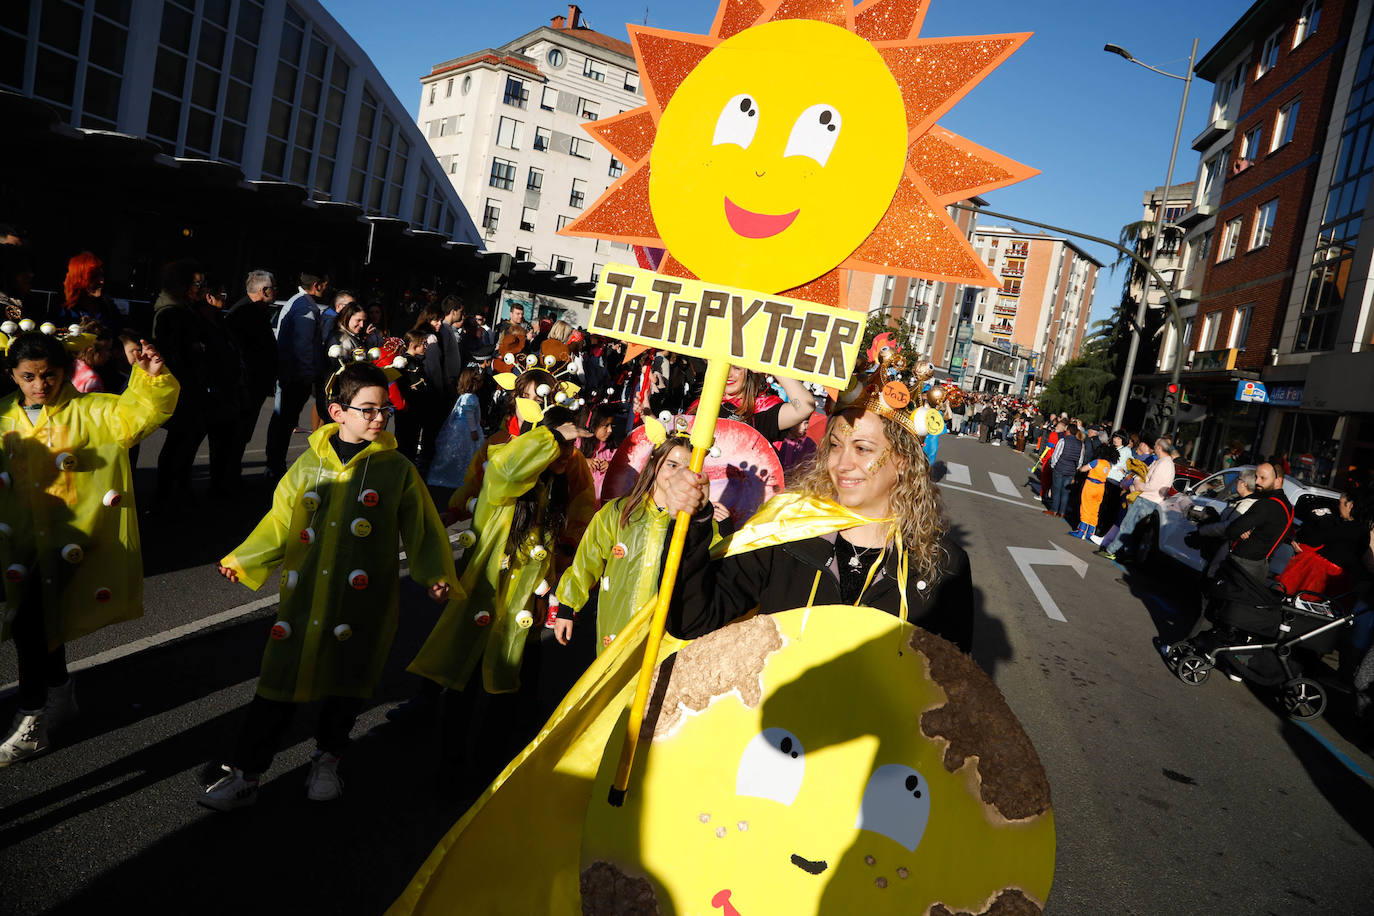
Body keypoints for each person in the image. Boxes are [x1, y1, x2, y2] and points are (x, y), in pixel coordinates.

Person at [202, 362, 456, 809]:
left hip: (363, 603)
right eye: (368, 410)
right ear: (338, 412)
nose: (378, 418)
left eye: (385, 412)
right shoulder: (308, 464)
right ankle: (247, 774)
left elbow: (423, 528)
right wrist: (246, 558)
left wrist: (435, 574)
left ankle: (328, 758)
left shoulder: (395, 469)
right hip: (302, 600)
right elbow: (282, 517)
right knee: (277, 685)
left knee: (348, 681)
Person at [660, 386, 973, 653]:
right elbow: (691, 619)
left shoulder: (944, 565)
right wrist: (693, 521)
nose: (842, 463)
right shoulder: (787, 529)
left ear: (902, 461)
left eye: (863, 449)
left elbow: (954, 688)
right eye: (835, 446)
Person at [0, 331, 178, 765]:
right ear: (13, 375)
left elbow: (140, 414)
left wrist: (150, 377)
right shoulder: (3, 416)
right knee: (42, 620)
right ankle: (60, 693)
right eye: (29, 377)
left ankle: (32, 714)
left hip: (72, 539)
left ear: (65, 372)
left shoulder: (89, 411)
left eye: (50, 375)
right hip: (18, 540)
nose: (40, 385)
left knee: (29, 623)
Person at [554, 436, 708, 654]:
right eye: (672, 465)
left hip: (666, 635)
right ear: (655, 465)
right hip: (617, 627)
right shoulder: (617, 513)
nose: (680, 474)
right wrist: (566, 608)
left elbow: (713, 571)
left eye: (688, 468)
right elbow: (587, 560)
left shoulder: (694, 525)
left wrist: (722, 526)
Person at [150, 259, 213, 509]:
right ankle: (166, 495)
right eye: (197, 283)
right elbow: (172, 350)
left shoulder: (185, 308)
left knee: (186, 440)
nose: (201, 288)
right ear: (182, 284)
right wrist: (196, 348)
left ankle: (178, 489)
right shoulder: (170, 311)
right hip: (181, 385)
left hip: (192, 385)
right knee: (178, 441)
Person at [265, 270, 330, 478]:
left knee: (282, 421)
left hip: (290, 374)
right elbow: (303, 347)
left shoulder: (298, 301)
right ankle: (275, 466)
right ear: (318, 285)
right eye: (326, 284)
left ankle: (274, 464)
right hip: (295, 377)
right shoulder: (306, 308)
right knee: (284, 422)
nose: (327, 288)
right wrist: (308, 375)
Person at [225, 270, 279, 474]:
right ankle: (228, 477)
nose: (275, 291)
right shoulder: (245, 312)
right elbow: (246, 351)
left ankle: (231, 475)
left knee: (242, 433)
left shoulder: (257, 310)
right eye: (274, 288)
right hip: (247, 385)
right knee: (237, 433)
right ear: (264, 290)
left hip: (255, 384)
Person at [692, 365, 814, 445]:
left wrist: (773, 367)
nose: (729, 374)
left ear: (750, 372)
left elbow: (804, 406)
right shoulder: (701, 403)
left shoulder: (761, 412)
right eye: (725, 366)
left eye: (737, 368)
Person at [1097, 437, 1176, 561]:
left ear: (1160, 447)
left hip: (1147, 499)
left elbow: (1153, 485)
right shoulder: (1163, 462)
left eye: (1155, 444)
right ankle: (1126, 553)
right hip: (1146, 498)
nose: (1153, 446)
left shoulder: (1165, 464)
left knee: (1127, 526)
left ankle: (1111, 550)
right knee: (1132, 527)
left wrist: (1137, 484)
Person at [427, 366, 486, 490]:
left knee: (455, 453)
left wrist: (478, 419)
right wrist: (474, 430)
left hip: (459, 427)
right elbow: (469, 414)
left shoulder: (464, 396)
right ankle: (461, 477)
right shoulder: (470, 398)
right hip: (467, 430)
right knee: (465, 454)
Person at [53, 252, 119, 329]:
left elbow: (120, 333)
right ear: (79, 279)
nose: (102, 281)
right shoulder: (64, 310)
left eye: (101, 276)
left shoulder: (108, 306)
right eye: (94, 277)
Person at [1073, 445, 1118, 540]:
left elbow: (1083, 469)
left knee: (1085, 507)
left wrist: (1079, 468)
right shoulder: (1108, 464)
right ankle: (1090, 533)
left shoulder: (1096, 462)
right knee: (1095, 510)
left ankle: (1081, 531)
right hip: (1101, 487)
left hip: (1090, 485)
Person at [580, 402, 620, 501]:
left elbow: (623, 467)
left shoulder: (611, 448)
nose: (610, 430)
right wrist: (584, 461)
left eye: (611, 425)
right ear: (593, 425)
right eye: (606, 425)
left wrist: (611, 466)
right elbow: (567, 459)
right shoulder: (578, 443)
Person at [1045, 424, 1084, 519]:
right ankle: (1062, 512)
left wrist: (1053, 466)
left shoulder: (1063, 440)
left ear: (1068, 431)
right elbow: (1080, 460)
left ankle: (1054, 510)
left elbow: (1056, 455)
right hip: (1071, 470)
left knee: (1056, 489)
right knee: (1066, 491)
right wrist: (1075, 468)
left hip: (1060, 468)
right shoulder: (1080, 444)